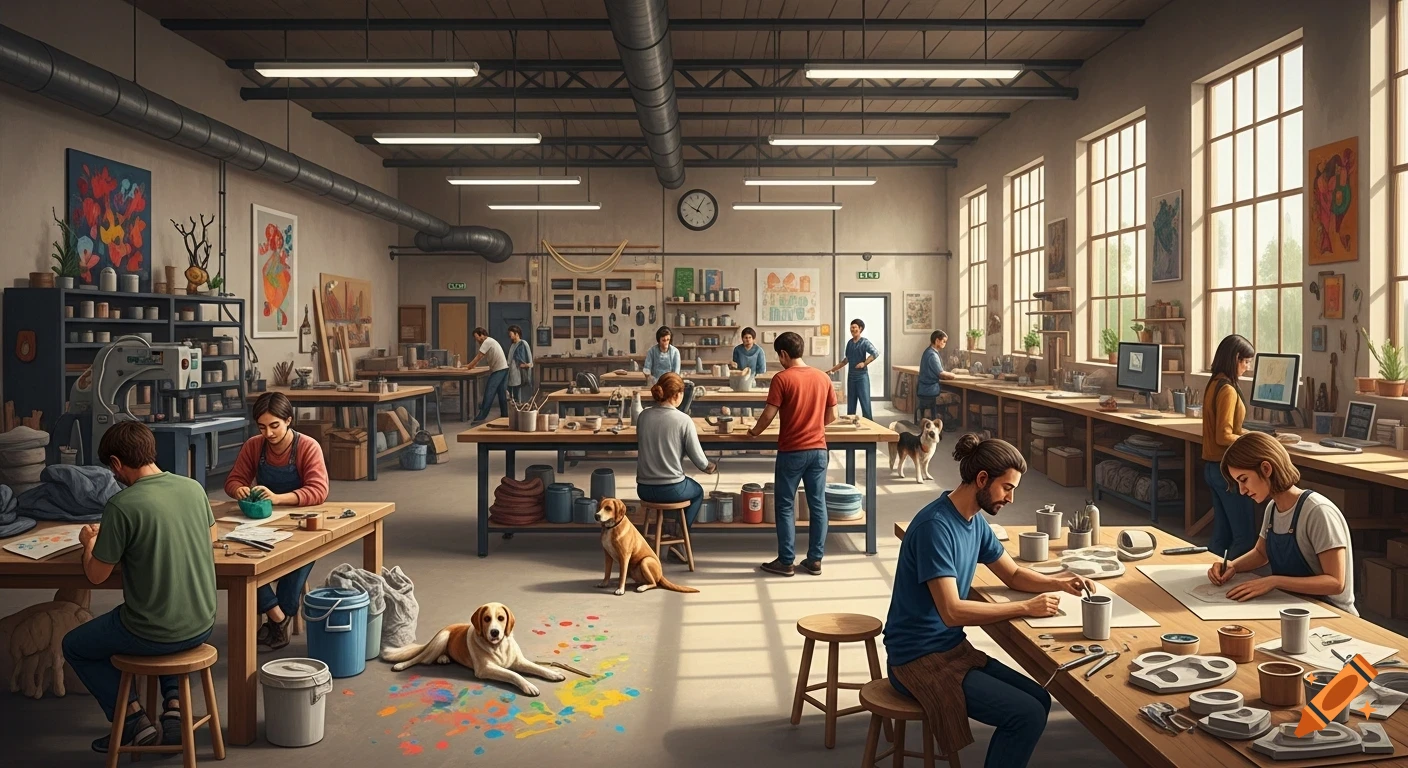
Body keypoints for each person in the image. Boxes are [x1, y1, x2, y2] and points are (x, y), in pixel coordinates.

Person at [884, 434, 1090, 768]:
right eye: (1007, 488)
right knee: (1025, 716)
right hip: (916, 658)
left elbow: (1012, 575)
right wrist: (1025, 607)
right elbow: (952, 612)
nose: (1010, 498)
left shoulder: (974, 522)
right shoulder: (936, 528)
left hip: (949, 649)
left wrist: (1059, 582)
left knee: (1039, 698)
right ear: (982, 479)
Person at [64, 421, 218, 753]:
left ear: (117, 464)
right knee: (164, 613)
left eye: (112, 467)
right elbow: (211, 539)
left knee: (75, 645)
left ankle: (134, 720)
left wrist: (89, 543)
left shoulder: (122, 505)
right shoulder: (192, 488)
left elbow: (96, 575)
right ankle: (174, 708)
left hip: (153, 631)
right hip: (202, 623)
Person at [1207, 432, 1357, 615]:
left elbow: (1335, 583)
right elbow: (1261, 553)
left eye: (1244, 480)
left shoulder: (1318, 511)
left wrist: (1273, 581)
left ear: (1266, 469)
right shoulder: (1273, 508)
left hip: (1332, 614)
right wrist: (1232, 566)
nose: (1242, 490)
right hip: (1295, 605)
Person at [226, 391, 331, 650]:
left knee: (298, 558)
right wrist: (238, 488)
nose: (268, 434)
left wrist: (278, 498)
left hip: (301, 520)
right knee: (242, 565)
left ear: (289, 420)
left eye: (274, 426)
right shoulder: (254, 446)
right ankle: (279, 618)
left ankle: (277, 621)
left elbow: (319, 491)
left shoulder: (307, 446)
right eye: (262, 427)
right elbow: (233, 480)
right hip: (261, 523)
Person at [747, 331, 836, 576]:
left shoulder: (782, 378)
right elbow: (833, 416)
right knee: (818, 504)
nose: (779, 361)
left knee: (786, 505)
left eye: (779, 356)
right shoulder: (822, 377)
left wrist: (753, 432)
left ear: (784, 354)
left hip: (792, 452)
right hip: (818, 450)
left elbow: (768, 414)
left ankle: (786, 561)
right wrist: (814, 427)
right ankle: (815, 560)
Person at [635, 373, 718, 561]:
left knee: (680, 488)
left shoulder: (643, 416)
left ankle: (668, 530)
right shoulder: (683, 420)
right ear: (677, 395)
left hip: (644, 489)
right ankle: (679, 539)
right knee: (696, 492)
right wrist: (710, 466)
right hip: (670, 489)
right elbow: (700, 461)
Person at [1204, 334, 1259, 560]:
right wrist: (1254, 442)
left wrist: (1251, 433)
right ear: (1236, 358)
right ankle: (1231, 582)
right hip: (1226, 471)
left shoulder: (1213, 383)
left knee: (1222, 535)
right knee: (1244, 538)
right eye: (1245, 362)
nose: (1246, 367)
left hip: (1211, 468)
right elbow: (1224, 435)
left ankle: (1204, 576)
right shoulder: (1227, 389)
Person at [828, 319, 879, 421]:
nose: (852, 329)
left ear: (860, 329)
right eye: (851, 327)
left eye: (855, 327)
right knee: (851, 405)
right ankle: (850, 427)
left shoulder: (864, 342)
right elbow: (846, 360)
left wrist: (864, 363)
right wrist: (832, 370)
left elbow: (875, 353)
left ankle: (870, 427)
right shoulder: (850, 343)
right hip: (851, 377)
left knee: (865, 404)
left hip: (862, 377)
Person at [468, 326, 510, 423]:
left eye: (477, 337)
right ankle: (505, 415)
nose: (476, 339)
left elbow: (479, 357)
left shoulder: (486, 342)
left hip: (499, 370)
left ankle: (481, 417)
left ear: (482, 335)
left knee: (489, 392)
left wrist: (469, 366)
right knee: (501, 394)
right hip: (504, 369)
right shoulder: (490, 341)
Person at [917, 330, 957, 422]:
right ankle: (948, 421)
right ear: (937, 341)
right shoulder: (932, 355)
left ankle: (947, 419)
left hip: (924, 388)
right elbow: (941, 374)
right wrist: (953, 375)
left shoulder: (928, 351)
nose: (945, 344)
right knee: (957, 397)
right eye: (944, 341)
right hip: (930, 390)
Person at [506, 325, 534, 402]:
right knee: (512, 396)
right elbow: (509, 360)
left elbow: (530, 362)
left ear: (517, 334)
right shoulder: (512, 345)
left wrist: (525, 365)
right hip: (512, 373)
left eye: (511, 334)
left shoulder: (523, 343)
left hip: (520, 373)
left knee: (518, 395)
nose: (509, 336)